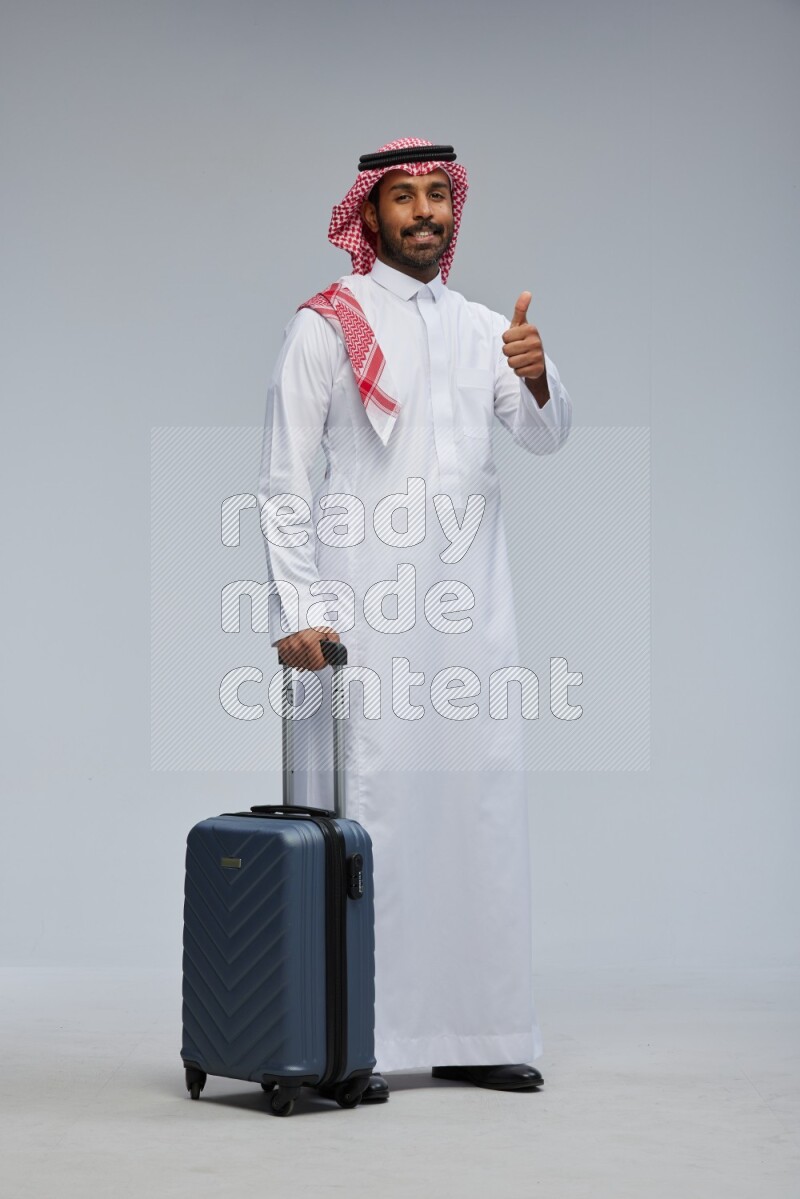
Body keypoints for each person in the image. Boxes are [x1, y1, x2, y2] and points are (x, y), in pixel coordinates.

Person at [257, 137, 572, 1101]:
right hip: (364, 612)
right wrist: (298, 609)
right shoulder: (328, 323)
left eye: (439, 194)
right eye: (405, 196)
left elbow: (546, 436)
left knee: (478, 811)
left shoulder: (484, 329)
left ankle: (478, 1030)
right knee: (372, 814)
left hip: (471, 614)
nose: (425, 211)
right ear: (371, 212)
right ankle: (352, 1037)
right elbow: (282, 480)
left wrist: (538, 374)